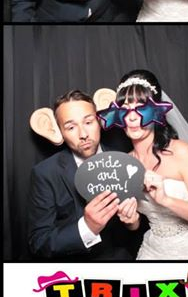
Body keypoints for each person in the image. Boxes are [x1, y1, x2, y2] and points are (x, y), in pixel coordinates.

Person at [98, 69, 188, 260]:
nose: (132, 117)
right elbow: (136, 224)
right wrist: (130, 221)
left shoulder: (179, 151)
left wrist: (166, 200)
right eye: (125, 109)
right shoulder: (123, 164)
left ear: (156, 110)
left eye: (141, 108)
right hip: (152, 251)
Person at [28, 90, 140, 260]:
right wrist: (87, 227)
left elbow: (146, 227)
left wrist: (133, 224)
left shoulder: (126, 161)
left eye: (88, 122)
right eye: (71, 127)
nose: (83, 134)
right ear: (59, 132)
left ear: (99, 120)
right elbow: (38, 243)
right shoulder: (45, 173)